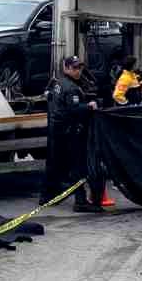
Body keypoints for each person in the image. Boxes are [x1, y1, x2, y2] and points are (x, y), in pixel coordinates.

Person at [44, 56, 101, 211]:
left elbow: (49, 98)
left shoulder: (58, 83)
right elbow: (74, 109)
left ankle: (47, 196)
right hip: (69, 131)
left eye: (80, 68)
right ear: (66, 68)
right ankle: (80, 201)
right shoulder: (71, 88)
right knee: (78, 167)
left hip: (57, 129)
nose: (78, 71)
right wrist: (89, 106)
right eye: (75, 68)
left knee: (55, 164)